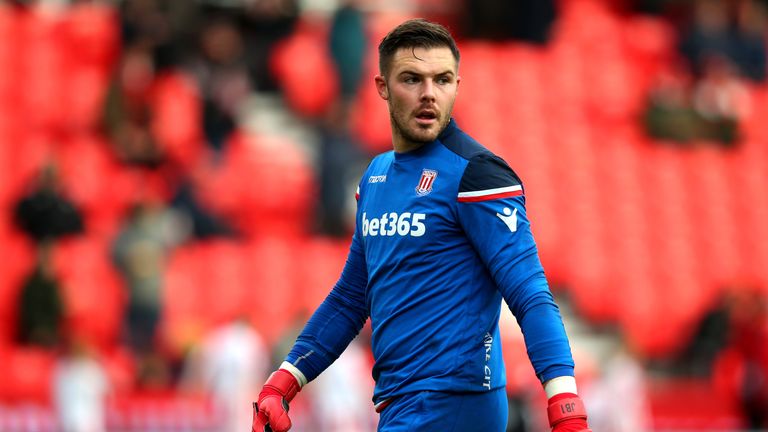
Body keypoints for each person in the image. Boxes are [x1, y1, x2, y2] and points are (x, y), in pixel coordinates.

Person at [252, 19, 591, 432]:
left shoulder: (478, 175)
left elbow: (529, 292)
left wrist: (564, 402)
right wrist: (283, 381)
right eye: (412, 79)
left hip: (456, 402)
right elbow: (350, 297)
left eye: (442, 79)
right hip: (401, 403)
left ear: (456, 85)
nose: (429, 93)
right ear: (381, 86)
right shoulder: (375, 178)